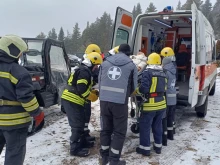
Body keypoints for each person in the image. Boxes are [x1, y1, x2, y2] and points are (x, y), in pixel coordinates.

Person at [0, 35, 44, 165]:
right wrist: (38, 113)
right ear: (12, 51)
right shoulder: (19, 72)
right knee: (14, 155)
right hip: (15, 123)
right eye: (20, 53)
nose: (20, 56)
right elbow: (26, 98)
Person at [99, 44, 138, 165]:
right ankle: (114, 160)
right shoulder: (131, 66)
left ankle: (104, 157)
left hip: (104, 101)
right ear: (129, 53)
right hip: (120, 102)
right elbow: (134, 87)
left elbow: (99, 81)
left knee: (105, 129)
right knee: (119, 132)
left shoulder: (105, 62)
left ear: (118, 51)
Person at [61, 51, 103, 157]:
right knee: (77, 126)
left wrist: (92, 91)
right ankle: (74, 149)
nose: (96, 68)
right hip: (72, 100)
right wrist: (90, 96)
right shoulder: (84, 71)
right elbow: (81, 88)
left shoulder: (82, 69)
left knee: (80, 123)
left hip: (73, 100)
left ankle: (83, 143)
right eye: (96, 65)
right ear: (92, 63)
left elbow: (85, 85)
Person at [135, 53, 167, 156]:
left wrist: (137, 90)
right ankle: (158, 147)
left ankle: (145, 149)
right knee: (157, 126)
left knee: (145, 127)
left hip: (150, 105)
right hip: (161, 104)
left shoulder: (147, 72)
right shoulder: (164, 72)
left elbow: (144, 88)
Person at [83, 44, 102, 145]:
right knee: (84, 115)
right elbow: (94, 78)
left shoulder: (87, 63)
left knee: (86, 115)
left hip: (87, 94)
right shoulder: (87, 65)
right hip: (84, 95)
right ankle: (83, 136)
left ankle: (85, 134)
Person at [160, 47, 177, 145]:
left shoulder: (165, 71)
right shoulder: (173, 69)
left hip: (166, 98)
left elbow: (163, 85)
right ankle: (171, 135)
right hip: (173, 98)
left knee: (164, 119)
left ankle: (164, 139)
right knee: (171, 118)